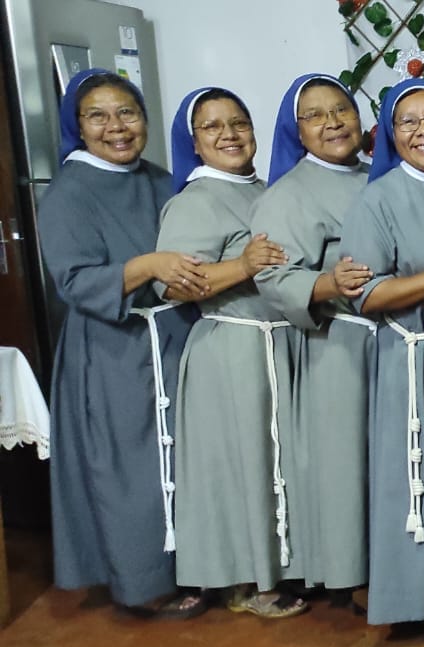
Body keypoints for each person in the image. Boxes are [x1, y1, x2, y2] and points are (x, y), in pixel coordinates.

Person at [40, 69, 207, 618]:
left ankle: (194, 565)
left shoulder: (161, 180)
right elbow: (73, 279)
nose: (116, 127)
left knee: (184, 456)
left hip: (172, 336)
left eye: (127, 113)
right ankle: (142, 582)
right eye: (98, 116)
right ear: (77, 126)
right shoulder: (69, 192)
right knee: (129, 470)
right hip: (113, 346)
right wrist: (147, 265)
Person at [161, 86, 308, 618]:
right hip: (233, 348)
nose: (229, 135)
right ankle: (250, 581)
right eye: (212, 126)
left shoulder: (266, 189)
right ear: (194, 143)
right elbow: (173, 285)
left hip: (278, 343)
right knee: (242, 466)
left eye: (239, 123)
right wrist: (243, 266)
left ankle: (281, 565)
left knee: (274, 463)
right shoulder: (195, 200)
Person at [340, 78, 424, 636]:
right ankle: (420, 602)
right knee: (418, 482)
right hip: (414, 357)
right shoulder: (379, 199)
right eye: (409, 122)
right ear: (391, 135)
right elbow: (366, 294)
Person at [251, 74, 374, 610]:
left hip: (395, 339)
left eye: (341, 110)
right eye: (316, 115)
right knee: (347, 461)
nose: (333, 123)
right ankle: (357, 572)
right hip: (338, 343)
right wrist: (329, 284)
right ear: (295, 131)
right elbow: (274, 277)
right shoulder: (289, 195)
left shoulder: (379, 176)